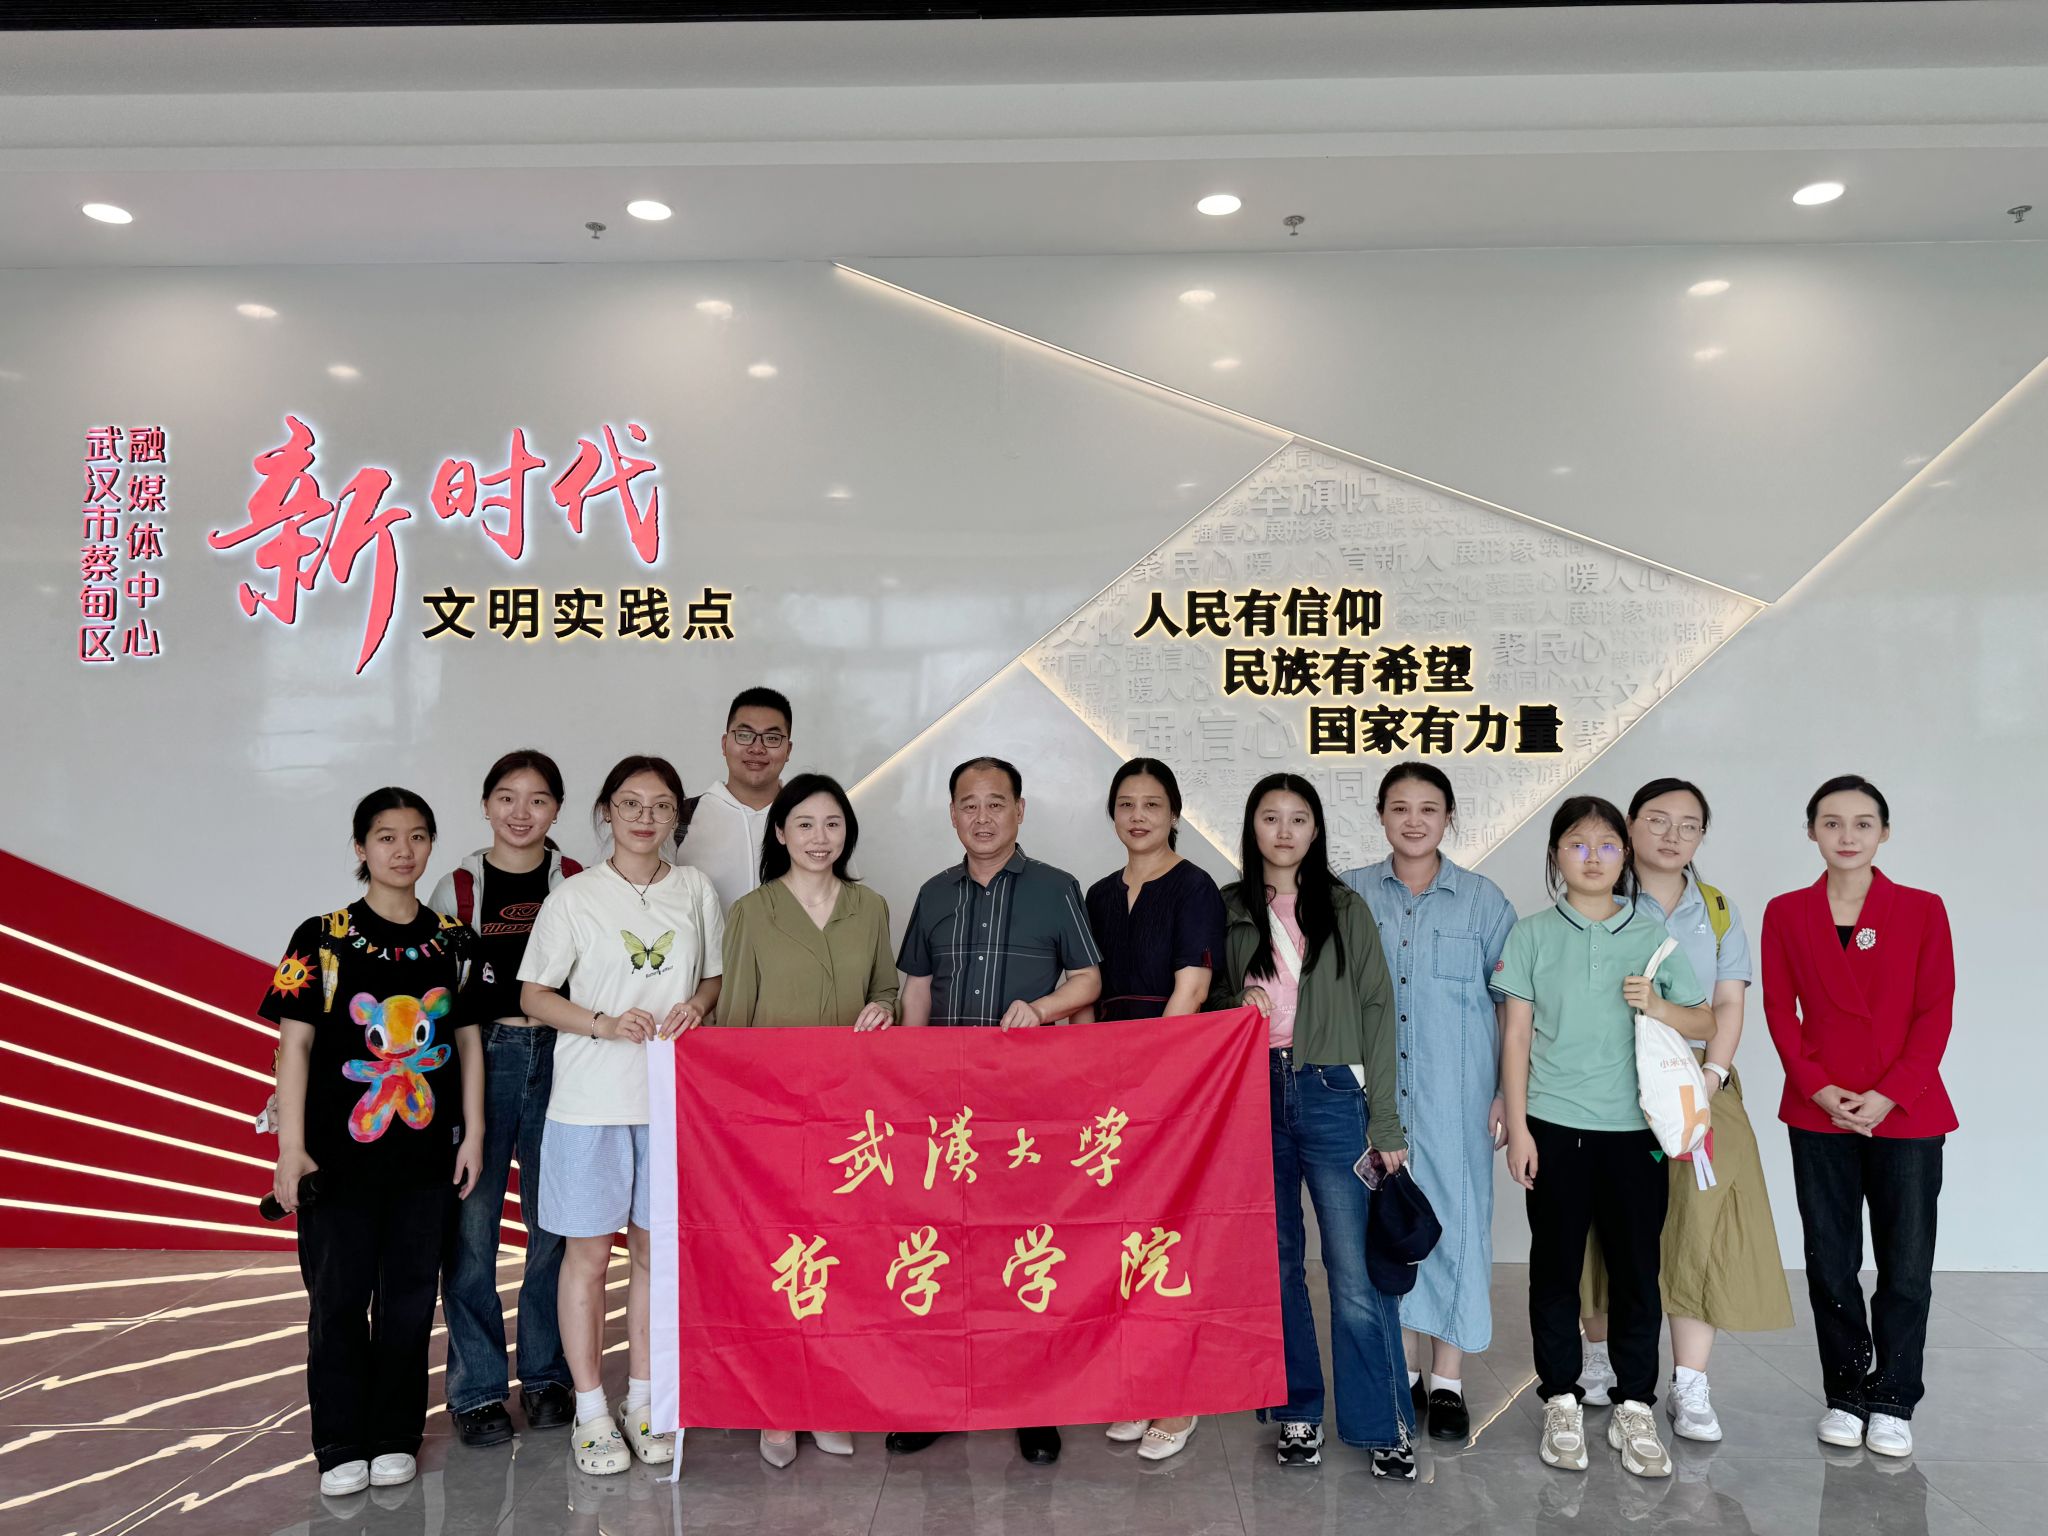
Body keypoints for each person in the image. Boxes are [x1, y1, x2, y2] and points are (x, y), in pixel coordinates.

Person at [261, 787, 484, 1497]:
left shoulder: (454, 941)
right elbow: (294, 1047)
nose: (403, 850)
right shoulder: (321, 937)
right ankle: (337, 1441)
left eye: (417, 836)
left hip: (425, 1158)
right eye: (386, 837)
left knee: (410, 1299)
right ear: (361, 848)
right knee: (337, 1299)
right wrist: (290, 1149)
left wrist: (475, 1133)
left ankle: (394, 1434)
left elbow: (468, 1043)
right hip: (336, 1158)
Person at [888, 755, 1103, 1467]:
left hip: (1026, 1110)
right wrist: (908, 1085)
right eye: (969, 804)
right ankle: (937, 1398)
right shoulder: (933, 893)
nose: (982, 817)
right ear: (952, 813)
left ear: (1019, 811)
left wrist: (1039, 1010)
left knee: (1024, 1250)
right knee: (943, 1251)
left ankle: (1030, 1404)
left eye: (995, 803)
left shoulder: (1055, 888)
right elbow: (917, 991)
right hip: (945, 1111)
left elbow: (1088, 980)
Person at [517, 756, 724, 1477]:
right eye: (630, 803)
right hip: (587, 1104)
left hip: (668, 1103)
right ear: (606, 811)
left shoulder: (696, 890)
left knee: (652, 1254)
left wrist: (697, 1005)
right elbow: (534, 995)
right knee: (587, 1257)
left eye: (661, 806)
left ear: (676, 818)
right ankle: (590, 1411)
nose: (645, 817)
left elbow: (713, 976)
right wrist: (602, 1024)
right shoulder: (575, 897)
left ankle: (643, 1399)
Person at [1497, 795, 1713, 1482]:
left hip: (1635, 1133)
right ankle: (1560, 1399)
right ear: (1556, 855)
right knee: (1555, 1271)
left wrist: (1660, 1005)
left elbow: (1704, 1020)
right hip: (1554, 1127)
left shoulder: (1650, 935)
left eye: (1607, 845)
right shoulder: (1531, 935)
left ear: (1625, 856)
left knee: (1636, 1273)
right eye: (1577, 845)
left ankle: (1635, 1405)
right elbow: (1516, 1036)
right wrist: (1519, 1128)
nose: (1593, 858)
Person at [1208, 773, 1414, 1478]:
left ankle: (1383, 1422)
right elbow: (1204, 998)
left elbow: (1378, 1009)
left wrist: (1385, 1120)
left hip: (1332, 1090)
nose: (1285, 831)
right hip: (1252, 1095)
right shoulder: (1228, 907)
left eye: (1298, 818)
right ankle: (1298, 1412)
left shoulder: (1344, 907)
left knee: (1354, 1268)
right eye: (1271, 817)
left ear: (1316, 829)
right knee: (1276, 1264)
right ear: (1252, 827)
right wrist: (1236, 1003)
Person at [1577, 778, 1792, 1444]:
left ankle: (1690, 1384)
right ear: (1630, 825)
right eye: (1658, 820)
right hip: (1610, 1085)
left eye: (1689, 825)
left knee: (1700, 1226)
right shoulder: (1597, 894)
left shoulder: (1717, 909)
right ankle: (1598, 1356)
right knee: (1604, 1224)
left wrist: (1712, 1075)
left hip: (1699, 1085)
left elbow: (1729, 1002)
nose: (1673, 836)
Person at [1762, 775, 1955, 1460]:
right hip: (1820, 1110)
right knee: (1831, 1261)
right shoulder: (1787, 912)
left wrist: (1891, 1092)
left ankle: (1894, 1398)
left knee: (1907, 1264)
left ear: (1884, 833)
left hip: (1905, 1111)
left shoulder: (1923, 909)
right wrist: (1817, 1087)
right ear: (1811, 831)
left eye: (1863, 823)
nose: (1848, 836)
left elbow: (1935, 1010)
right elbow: (1778, 1009)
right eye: (1832, 822)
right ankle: (1845, 1393)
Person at [716, 772, 897, 1468]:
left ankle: (828, 1399)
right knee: (778, 1260)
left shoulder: (870, 907)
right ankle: (778, 1407)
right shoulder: (752, 912)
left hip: (851, 1119)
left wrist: (883, 1010)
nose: (820, 838)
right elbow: (734, 1023)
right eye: (805, 824)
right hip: (773, 1120)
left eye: (832, 824)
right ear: (780, 833)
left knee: (842, 1262)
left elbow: (886, 987)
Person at [1340, 762, 1517, 1445]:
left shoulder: (1483, 902)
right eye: (1400, 807)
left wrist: (1504, 1093)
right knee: (1385, 1233)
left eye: (1429, 809)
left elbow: (1512, 1008)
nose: (1414, 821)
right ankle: (1405, 1370)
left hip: (1457, 1099)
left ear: (1449, 818)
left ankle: (1448, 1383)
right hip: (1370, 1099)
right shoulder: (1350, 894)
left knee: (1458, 1229)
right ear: (1381, 815)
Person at [1078, 757, 1227, 1462]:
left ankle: (1181, 1397)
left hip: (1171, 1079)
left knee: (1170, 1239)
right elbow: (1086, 988)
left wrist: (1153, 1084)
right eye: (1126, 804)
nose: (1138, 816)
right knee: (1122, 1240)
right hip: (1107, 1078)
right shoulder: (1097, 894)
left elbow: (1190, 991)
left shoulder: (1195, 887)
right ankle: (1137, 1384)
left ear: (1174, 814)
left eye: (1153, 804)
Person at [433, 750, 582, 1448]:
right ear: (486, 804)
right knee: (472, 1232)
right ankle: (478, 1390)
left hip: (563, 1056)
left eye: (538, 799)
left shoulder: (577, 881)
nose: (522, 813)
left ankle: (548, 1376)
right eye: (507, 798)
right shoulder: (458, 888)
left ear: (558, 809)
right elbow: (435, 997)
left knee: (556, 1226)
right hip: (481, 1058)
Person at [677, 687, 794, 912]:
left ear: (787, 750)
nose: (757, 748)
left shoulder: (812, 821)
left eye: (772, 738)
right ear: (724, 744)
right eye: (744, 735)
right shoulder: (681, 817)